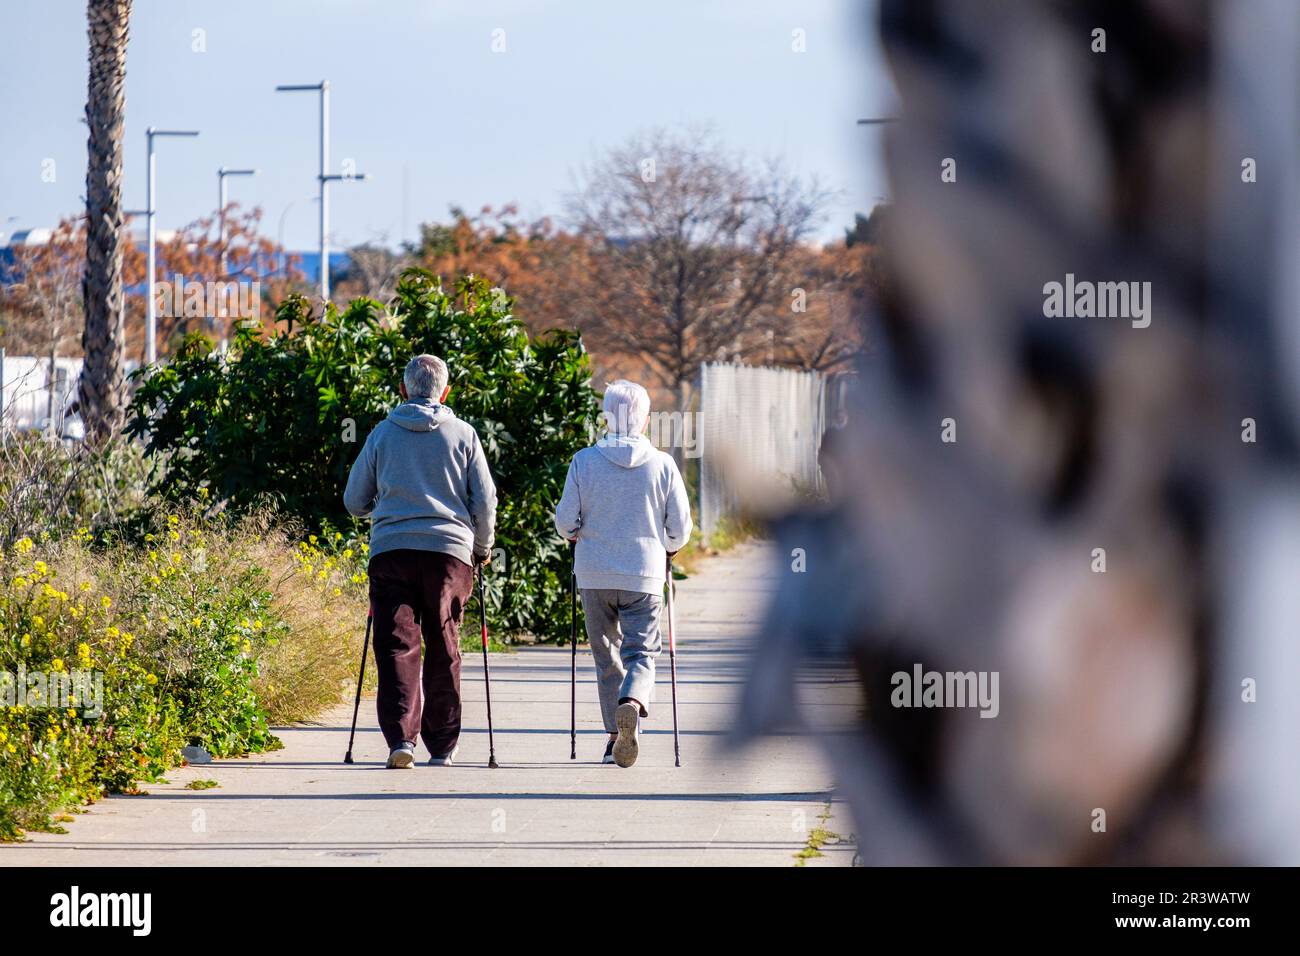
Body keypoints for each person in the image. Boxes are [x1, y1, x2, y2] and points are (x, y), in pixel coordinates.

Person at [344, 354, 497, 768]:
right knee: (444, 645)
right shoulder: (464, 435)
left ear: (403, 389)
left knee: (396, 644)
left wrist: (388, 504)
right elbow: (484, 501)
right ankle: (443, 746)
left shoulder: (381, 435)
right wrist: (482, 547)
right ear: (445, 392)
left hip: (392, 551)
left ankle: (401, 741)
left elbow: (354, 501)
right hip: (449, 555)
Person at [554, 380, 693, 767]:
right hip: (644, 574)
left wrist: (574, 533)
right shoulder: (663, 464)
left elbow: (566, 522)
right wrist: (669, 547)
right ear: (645, 421)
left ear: (606, 418)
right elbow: (680, 526)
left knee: (606, 656)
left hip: (594, 574)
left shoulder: (584, 461)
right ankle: (632, 701)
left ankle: (614, 736)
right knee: (643, 653)